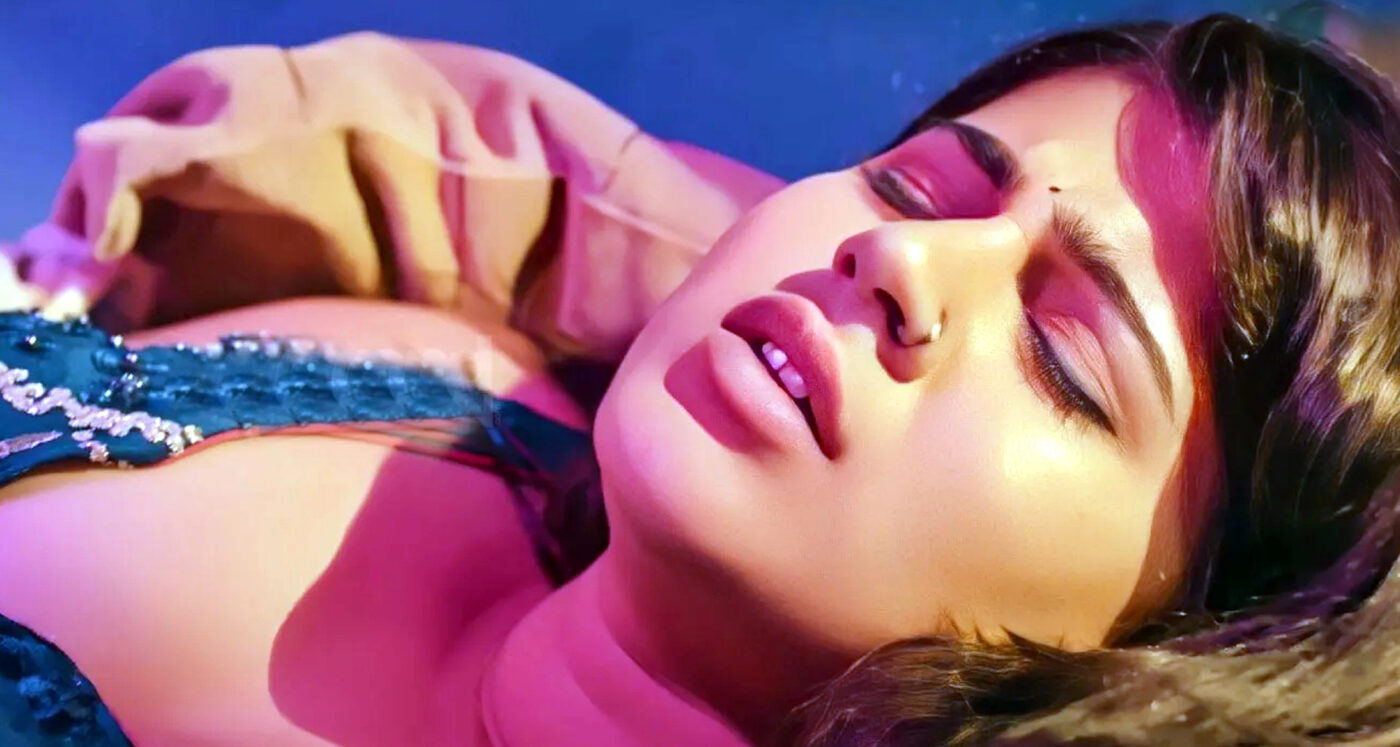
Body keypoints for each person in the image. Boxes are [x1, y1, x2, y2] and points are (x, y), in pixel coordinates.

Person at [3, 11, 1400, 746]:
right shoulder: (467, 378)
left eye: (1062, 353)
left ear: (1174, 667)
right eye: (916, 186)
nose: (898, 259)